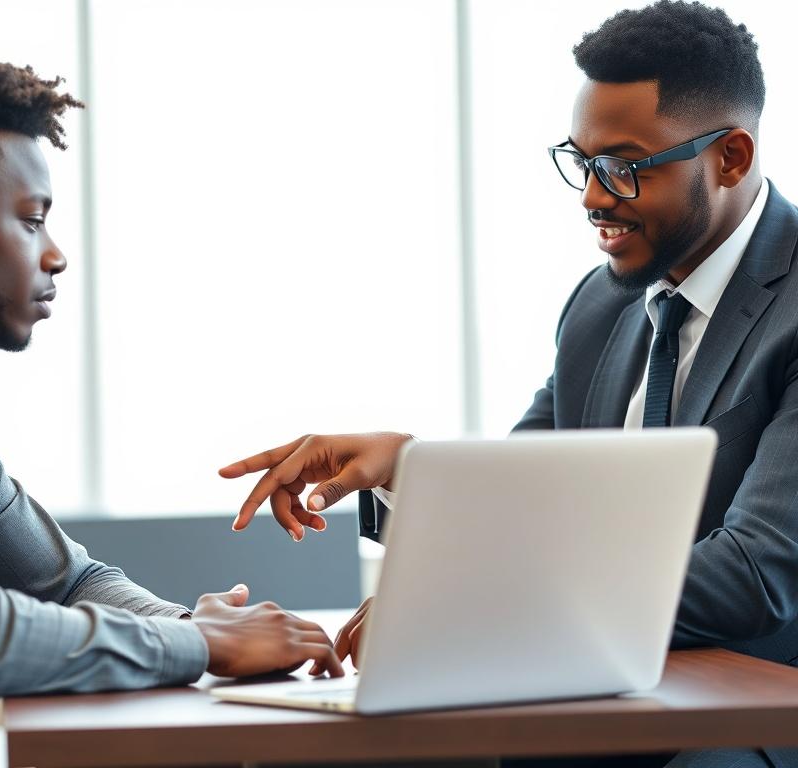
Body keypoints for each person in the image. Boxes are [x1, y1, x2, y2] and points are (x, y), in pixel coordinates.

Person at [222, 2, 798, 766]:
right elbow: (520, 508)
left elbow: (756, 577)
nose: (594, 197)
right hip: (593, 700)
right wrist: (406, 467)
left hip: (746, 722)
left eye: (625, 167)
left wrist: (469, 608)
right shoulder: (601, 307)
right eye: (582, 161)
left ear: (730, 156)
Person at [0, 28, 343, 768]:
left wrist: (187, 623)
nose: (55, 254)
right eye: (31, 218)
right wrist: (201, 641)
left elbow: (66, 578)